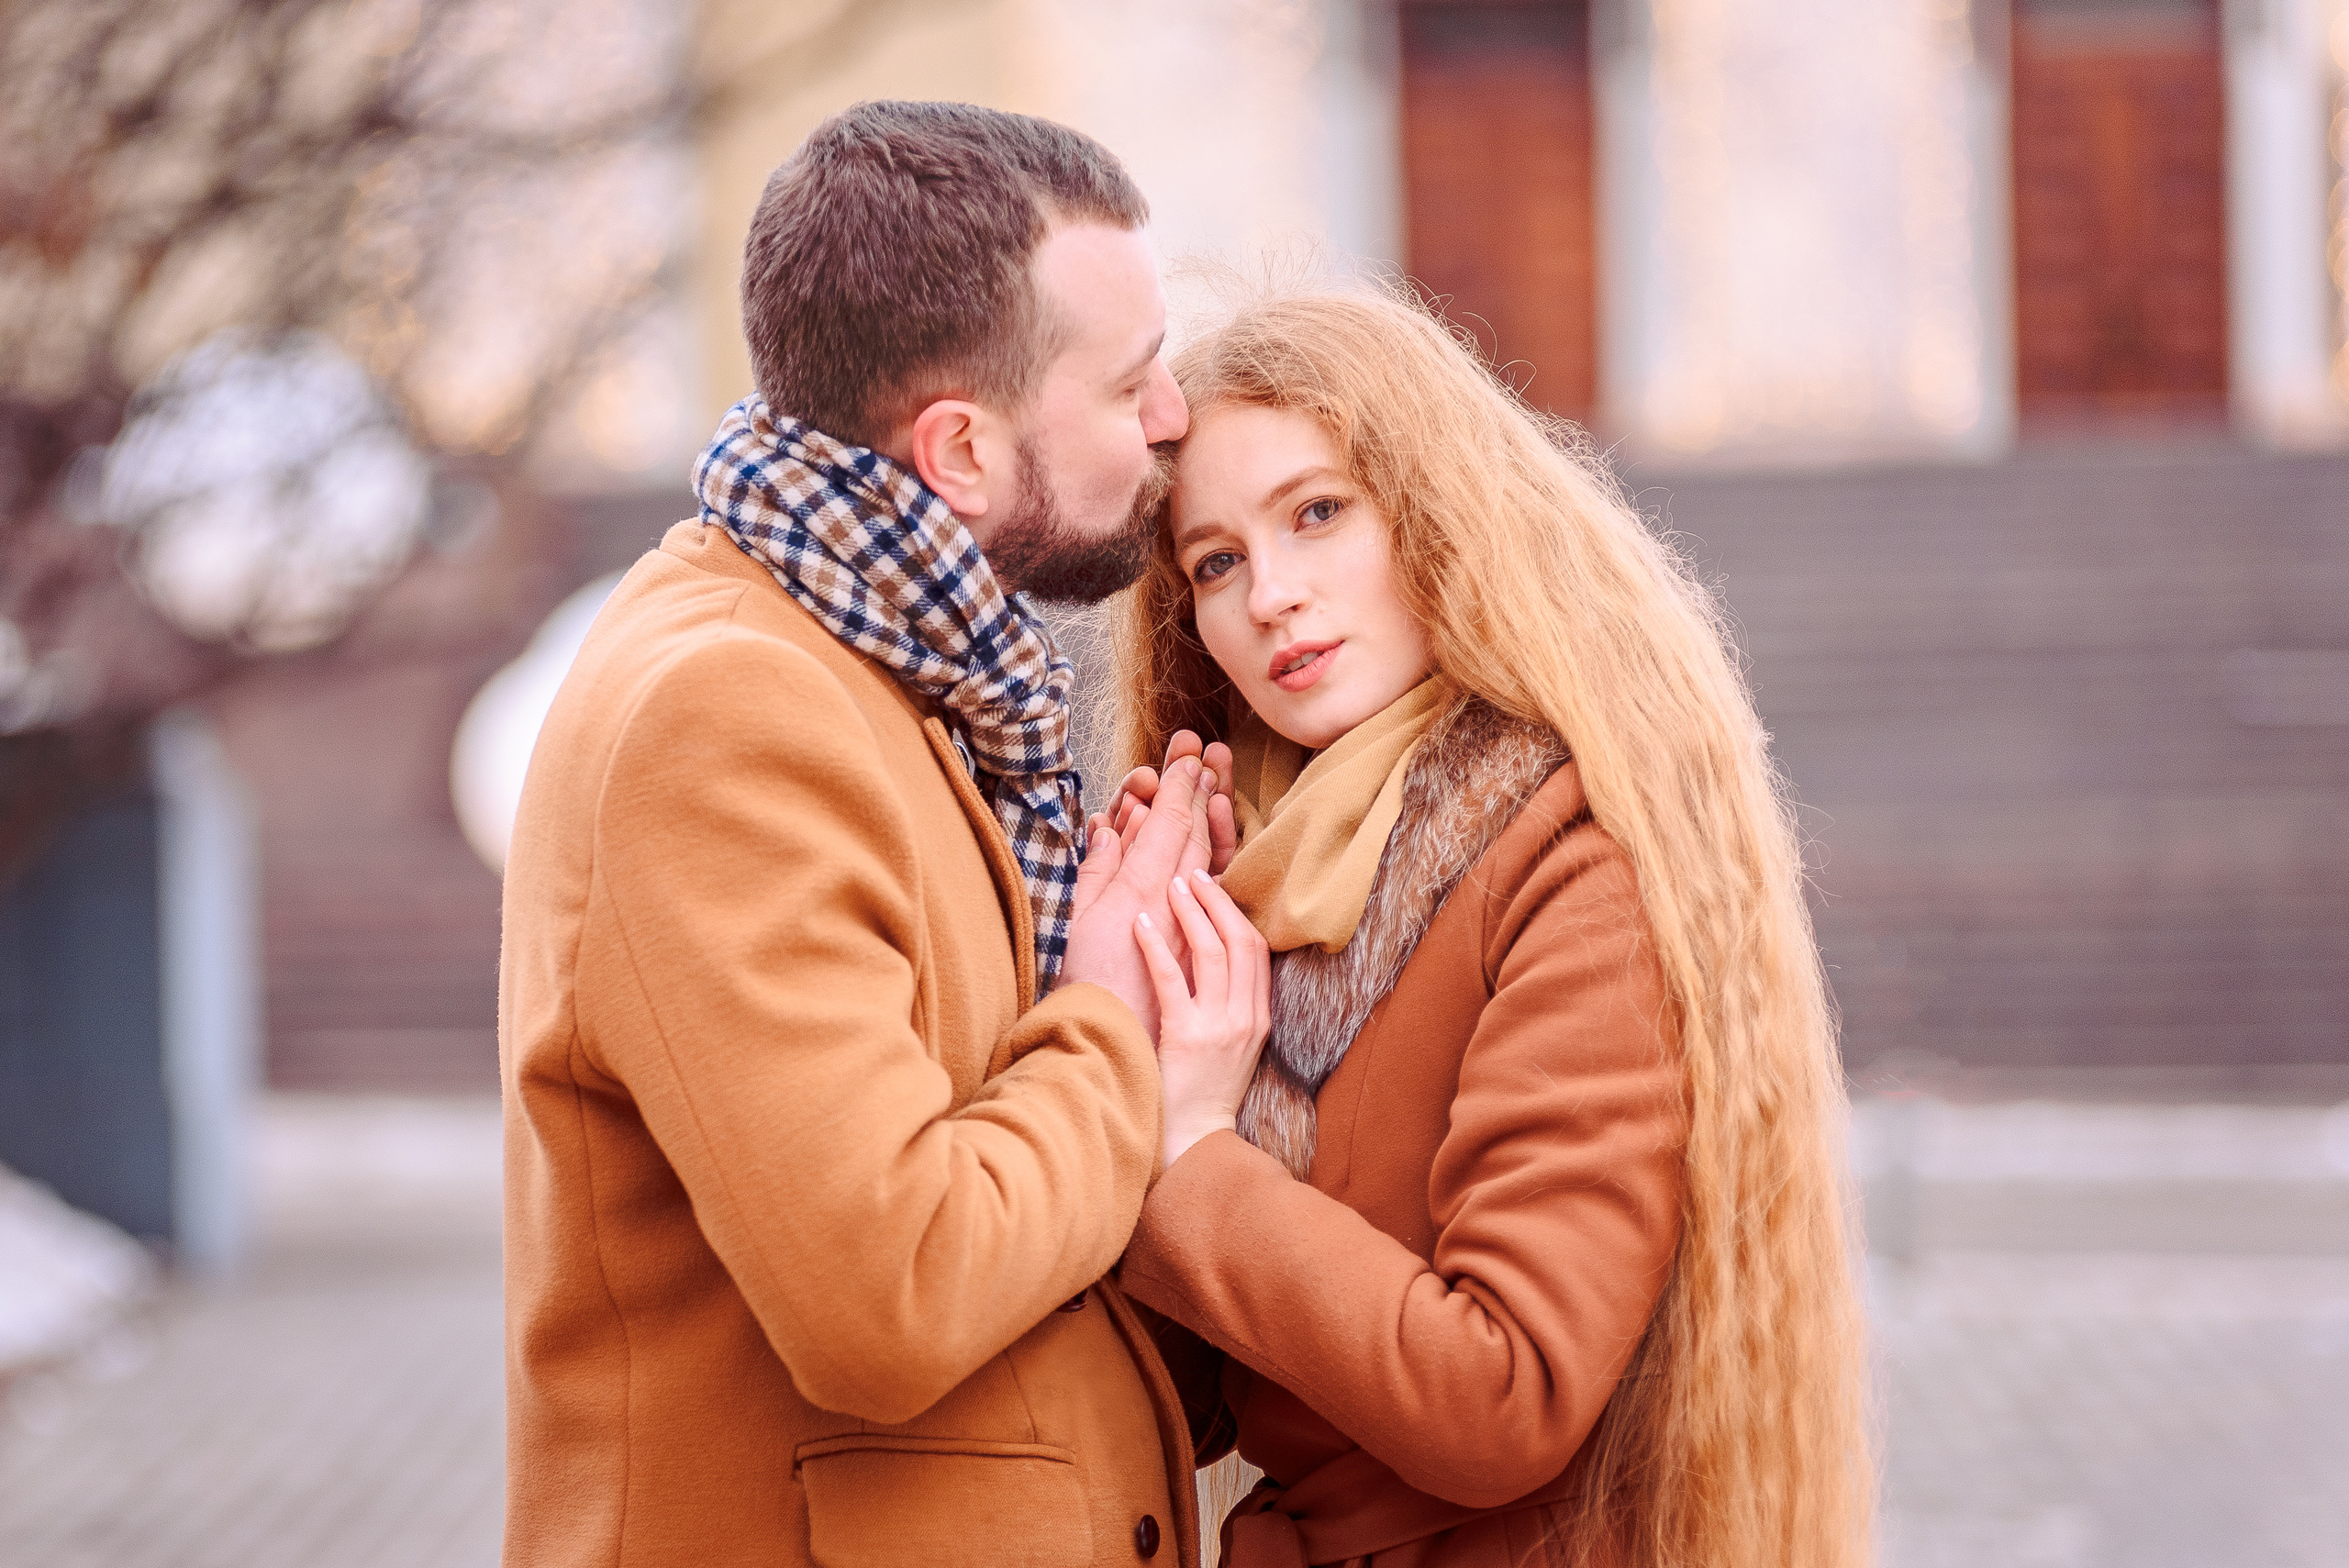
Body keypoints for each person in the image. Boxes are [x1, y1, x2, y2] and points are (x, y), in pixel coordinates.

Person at [499, 101, 1262, 1568]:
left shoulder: (903, 674)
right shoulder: (725, 716)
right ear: (960, 452)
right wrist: (1107, 1005)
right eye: (1130, 381)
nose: (1174, 415)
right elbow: (893, 1290)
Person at [1106, 286, 1871, 1568]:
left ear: (1434, 510)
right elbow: (1184, 1401)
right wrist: (1126, 1009)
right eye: (1218, 561)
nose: (1273, 595)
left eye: (1317, 513)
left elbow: (1502, 1395)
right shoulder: (1258, 879)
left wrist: (1190, 1149)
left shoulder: (1570, 860)